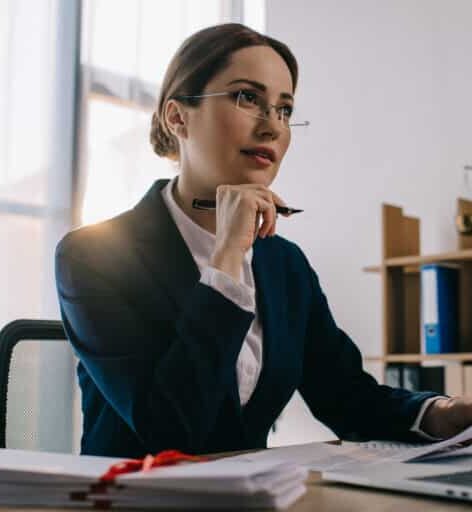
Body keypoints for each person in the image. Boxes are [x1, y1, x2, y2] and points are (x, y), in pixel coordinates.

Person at [55, 23, 472, 458]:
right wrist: (228, 257)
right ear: (177, 116)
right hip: (135, 500)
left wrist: (444, 411)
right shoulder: (93, 255)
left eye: (285, 109)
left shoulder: (284, 264)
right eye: (246, 97)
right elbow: (170, 430)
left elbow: (348, 398)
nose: (273, 127)